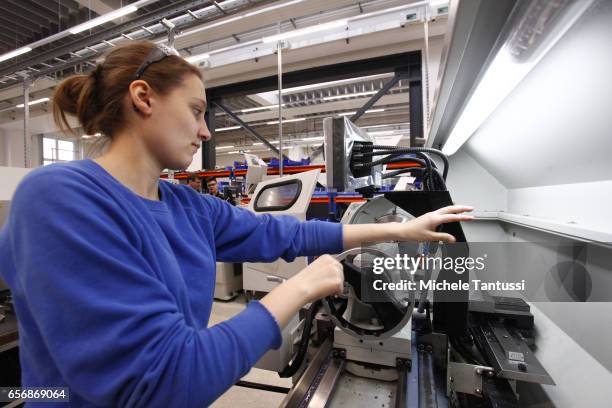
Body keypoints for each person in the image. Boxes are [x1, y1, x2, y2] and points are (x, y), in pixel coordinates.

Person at [0, 41, 473, 407]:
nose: (205, 131)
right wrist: (300, 288)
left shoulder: (187, 206)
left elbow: (286, 234)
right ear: (143, 98)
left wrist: (400, 230)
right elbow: (163, 384)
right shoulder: (59, 197)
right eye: (197, 111)